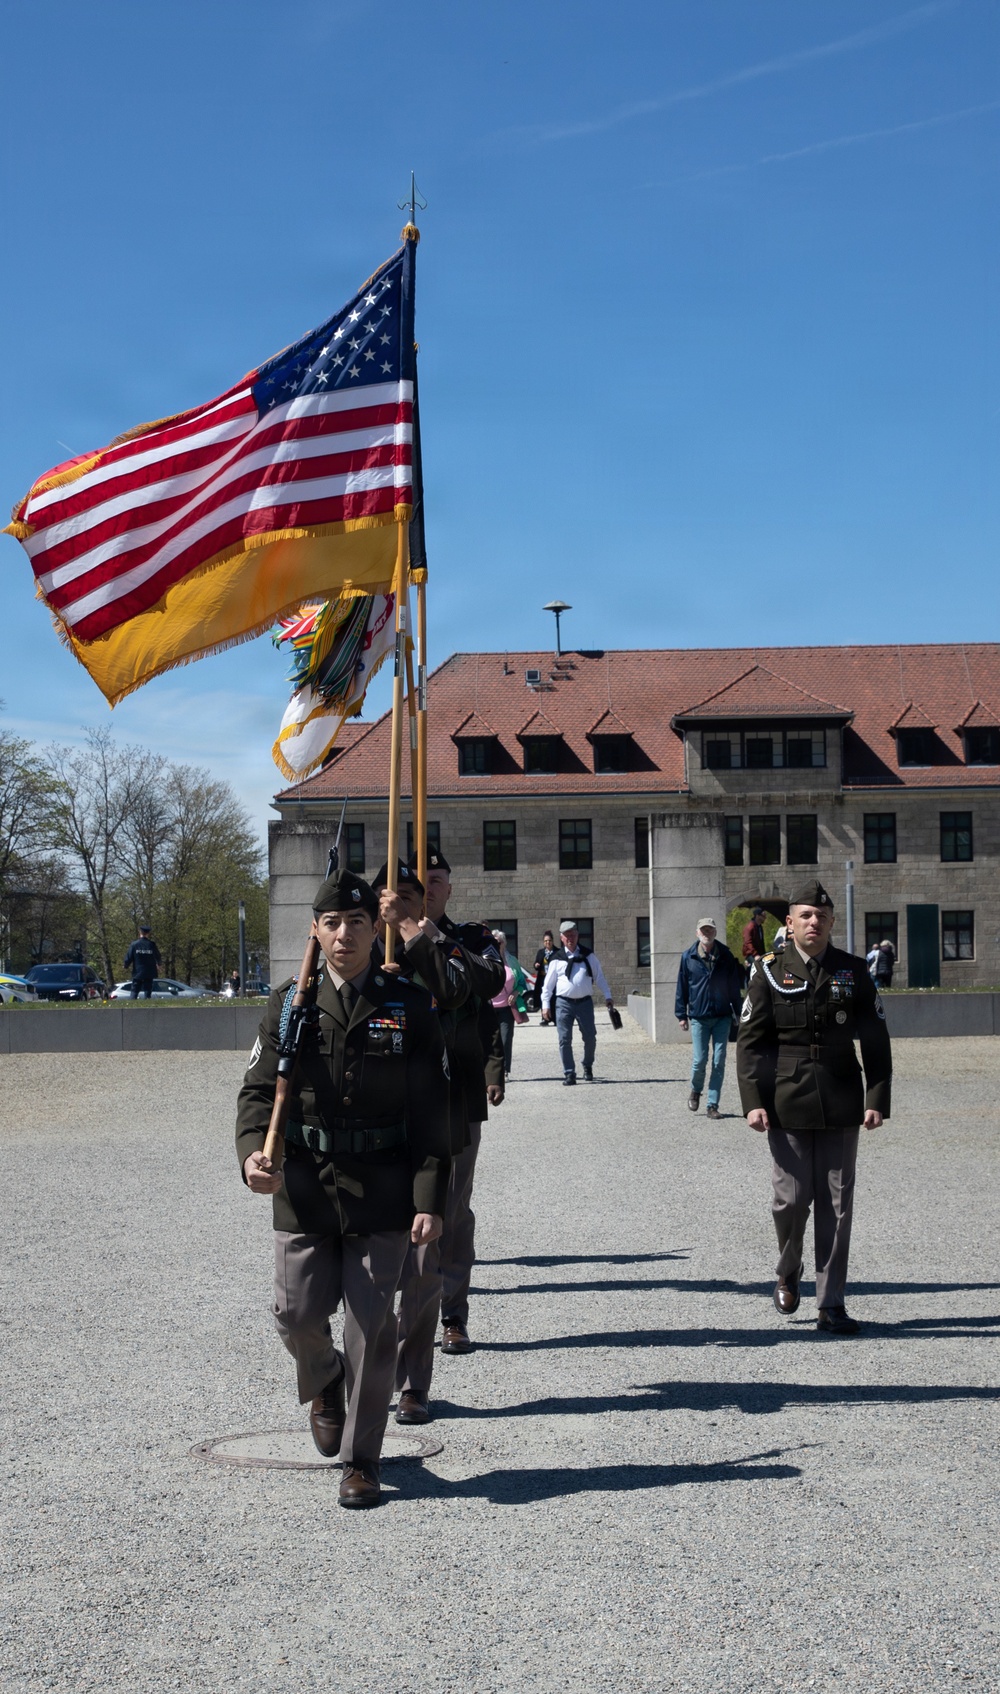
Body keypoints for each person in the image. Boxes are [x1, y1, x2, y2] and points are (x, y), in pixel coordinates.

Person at [235, 867, 451, 1508]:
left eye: (357, 921)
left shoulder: (406, 1005)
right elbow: (254, 1092)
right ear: (316, 931)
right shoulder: (287, 1004)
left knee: (371, 1328)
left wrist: (429, 1199)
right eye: (332, 923)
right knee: (297, 1313)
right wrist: (253, 1155)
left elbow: (432, 1111)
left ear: (373, 926)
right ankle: (324, 1376)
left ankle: (363, 1460)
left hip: (382, 1188)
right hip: (302, 1184)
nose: (345, 934)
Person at [736, 878, 892, 1337]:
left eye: (822, 917)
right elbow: (751, 1043)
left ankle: (831, 1304)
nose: (814, 922)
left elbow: (876, 1038)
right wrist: (752, 1103)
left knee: (837, 1206)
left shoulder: (853, 970)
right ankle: (788, 1269)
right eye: (805, 915)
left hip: (843, 1096)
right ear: (790, 922)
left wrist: (876, 1099)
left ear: (831, 923)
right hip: (786, 1098)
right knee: (790, 1200)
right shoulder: (767, 970)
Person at [393, 849, 505, 1385]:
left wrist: (427, 934)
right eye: (419, 883)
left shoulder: (473, 939)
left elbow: (485, 984)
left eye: (435, 881)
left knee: (452, 1214)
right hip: (391, 1100)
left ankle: (452, 1314)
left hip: (455, 1099)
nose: (428, 889)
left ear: (447, 889)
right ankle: (399, 1319)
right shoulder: (378, 942)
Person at [674, 918, 745, 1119]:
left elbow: (733, 986)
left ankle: (712, 1105)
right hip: (699, 1016)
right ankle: (696, 1091)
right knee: (700, 1060)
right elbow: (682, 986)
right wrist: (681, 1014)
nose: (707, 933)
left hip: (722, 1016)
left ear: (715, 932)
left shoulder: (726, 955)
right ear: (697, 933)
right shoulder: (688, 957)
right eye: (703, 930)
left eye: (710, 929)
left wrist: (737, 1012)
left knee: (719, 1061)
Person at [540, 920, 616, 1085]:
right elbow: (548, 986)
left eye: (573, 935)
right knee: (564, 1039)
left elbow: (599, 977)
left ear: (577, 936)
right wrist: (545, 1005)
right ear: (561, 938)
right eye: (567, 936)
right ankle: (569, 1073)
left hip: (585, 1003)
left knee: (590, 1038)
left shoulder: (589, 956)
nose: (570, 939)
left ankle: (587, 1065)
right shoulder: (556, 959)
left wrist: (608, 996)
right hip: (563, 1003)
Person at [490, 930, 518, 1079]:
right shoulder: (485, 958)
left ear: (504, 943)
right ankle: (491, 1070)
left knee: (506, 1039)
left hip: (507, 1008)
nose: (497, 944)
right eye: (494, 942)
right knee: (490, 1040)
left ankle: (505, 1069)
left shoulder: (512, 960)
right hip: (489, 1008)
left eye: (499, 942)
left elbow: (521, 983)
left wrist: (516, 993)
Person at [124, 924, 161, 999]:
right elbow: (158, 956)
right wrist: (159, 964)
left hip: (138, 971)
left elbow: (129, 956)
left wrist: (126, 965)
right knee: (148, 989)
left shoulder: (134, 944)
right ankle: (147, 1003)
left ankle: (132, 1003)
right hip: (149, 971)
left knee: (135, 988)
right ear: (148, 933)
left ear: (139, 932)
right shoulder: (151, 945)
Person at [531, 931, 557, 1011]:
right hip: (542, 978)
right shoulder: (541, 952)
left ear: (552, 941)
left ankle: (554, 1017)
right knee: (543, 997)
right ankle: (544, 1017)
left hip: (553, 978)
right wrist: (536, 965)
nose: (548, 942)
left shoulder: (557, 952)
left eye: (549, 940)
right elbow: (536, 963)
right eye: (546, 941)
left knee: (553, 997)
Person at [741, 906, 767, 982]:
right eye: (763, 916)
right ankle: (749, 989)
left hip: (759, 954)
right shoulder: (750, 927)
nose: (765, 918)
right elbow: (748, 942)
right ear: (757, 916)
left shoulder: (759, 927)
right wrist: (755, 955)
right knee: (752, 972)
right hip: (751, 955)